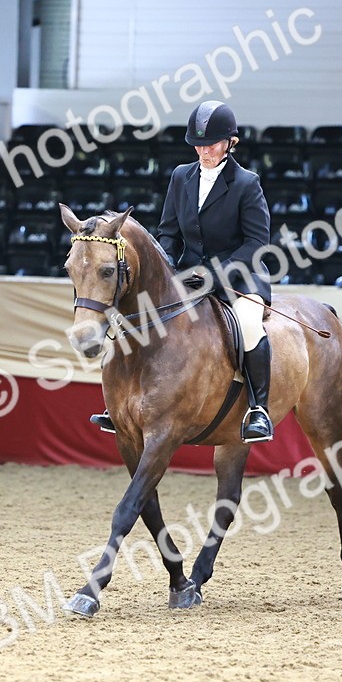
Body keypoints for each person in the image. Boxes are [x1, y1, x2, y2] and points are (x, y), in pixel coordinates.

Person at [90, 99, 274, 443]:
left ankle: (258, 410)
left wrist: (214, 275)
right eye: (199, 145)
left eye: (213, 144)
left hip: (239, 278)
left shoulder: (247, 183)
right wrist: (168, 269)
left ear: (231, 142)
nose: (205, 151)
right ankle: (119, 404)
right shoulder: (181, 176)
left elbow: (256, 243)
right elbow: (169, 233)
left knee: (249, 326)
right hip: (189, 276)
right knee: (137, 319)